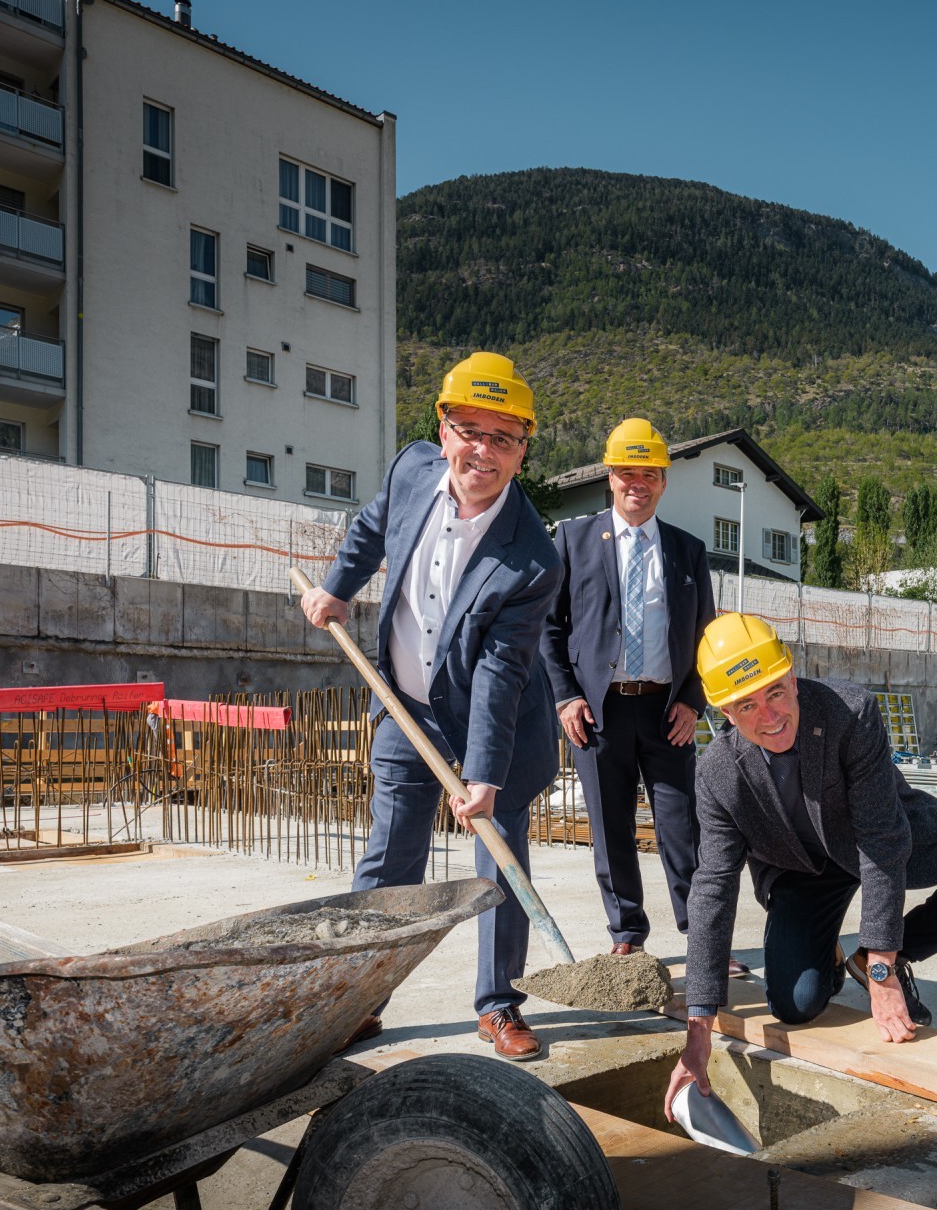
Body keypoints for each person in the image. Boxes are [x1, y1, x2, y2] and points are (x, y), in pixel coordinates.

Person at [663, 615, 937, 1114]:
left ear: (793, 677)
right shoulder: (717, 773)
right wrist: (699, 1030)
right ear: (724, 713)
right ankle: (828, 958)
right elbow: (712, 888)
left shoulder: (849, 712)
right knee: (795, 1005)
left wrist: (885, 968)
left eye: (776, 692)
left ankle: (870, 957)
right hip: (800, 872)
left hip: (878, 834)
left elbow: (882, 840)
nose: (770, 714)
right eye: (747, 705)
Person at [302, 351, 561, 1062]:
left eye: (503, 437)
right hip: (406, 703)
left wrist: (484, 772)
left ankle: (499, 1004)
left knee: (498, 865)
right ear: (443, 428)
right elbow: (370, 528)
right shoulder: (411, 468)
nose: (483, 449)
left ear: (523, 450)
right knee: (390, 859)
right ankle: (359, 999)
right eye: (470, 429)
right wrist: (337, 587)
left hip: (492, 724)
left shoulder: (534, 556)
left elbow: (504, 669)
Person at [541, 418, 735, 969]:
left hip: (664, 711)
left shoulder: (688, 550)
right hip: (597, 712)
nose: (637, 484)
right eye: (627, 472)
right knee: (612, 829)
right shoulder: (573, 541)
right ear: (610, 475)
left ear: (663, 481)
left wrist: (693, 701)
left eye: (648, 474)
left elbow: (705, 635)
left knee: (683, 828)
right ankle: (627, 933)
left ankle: (703, 937)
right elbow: (548, 627)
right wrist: (565, 697)